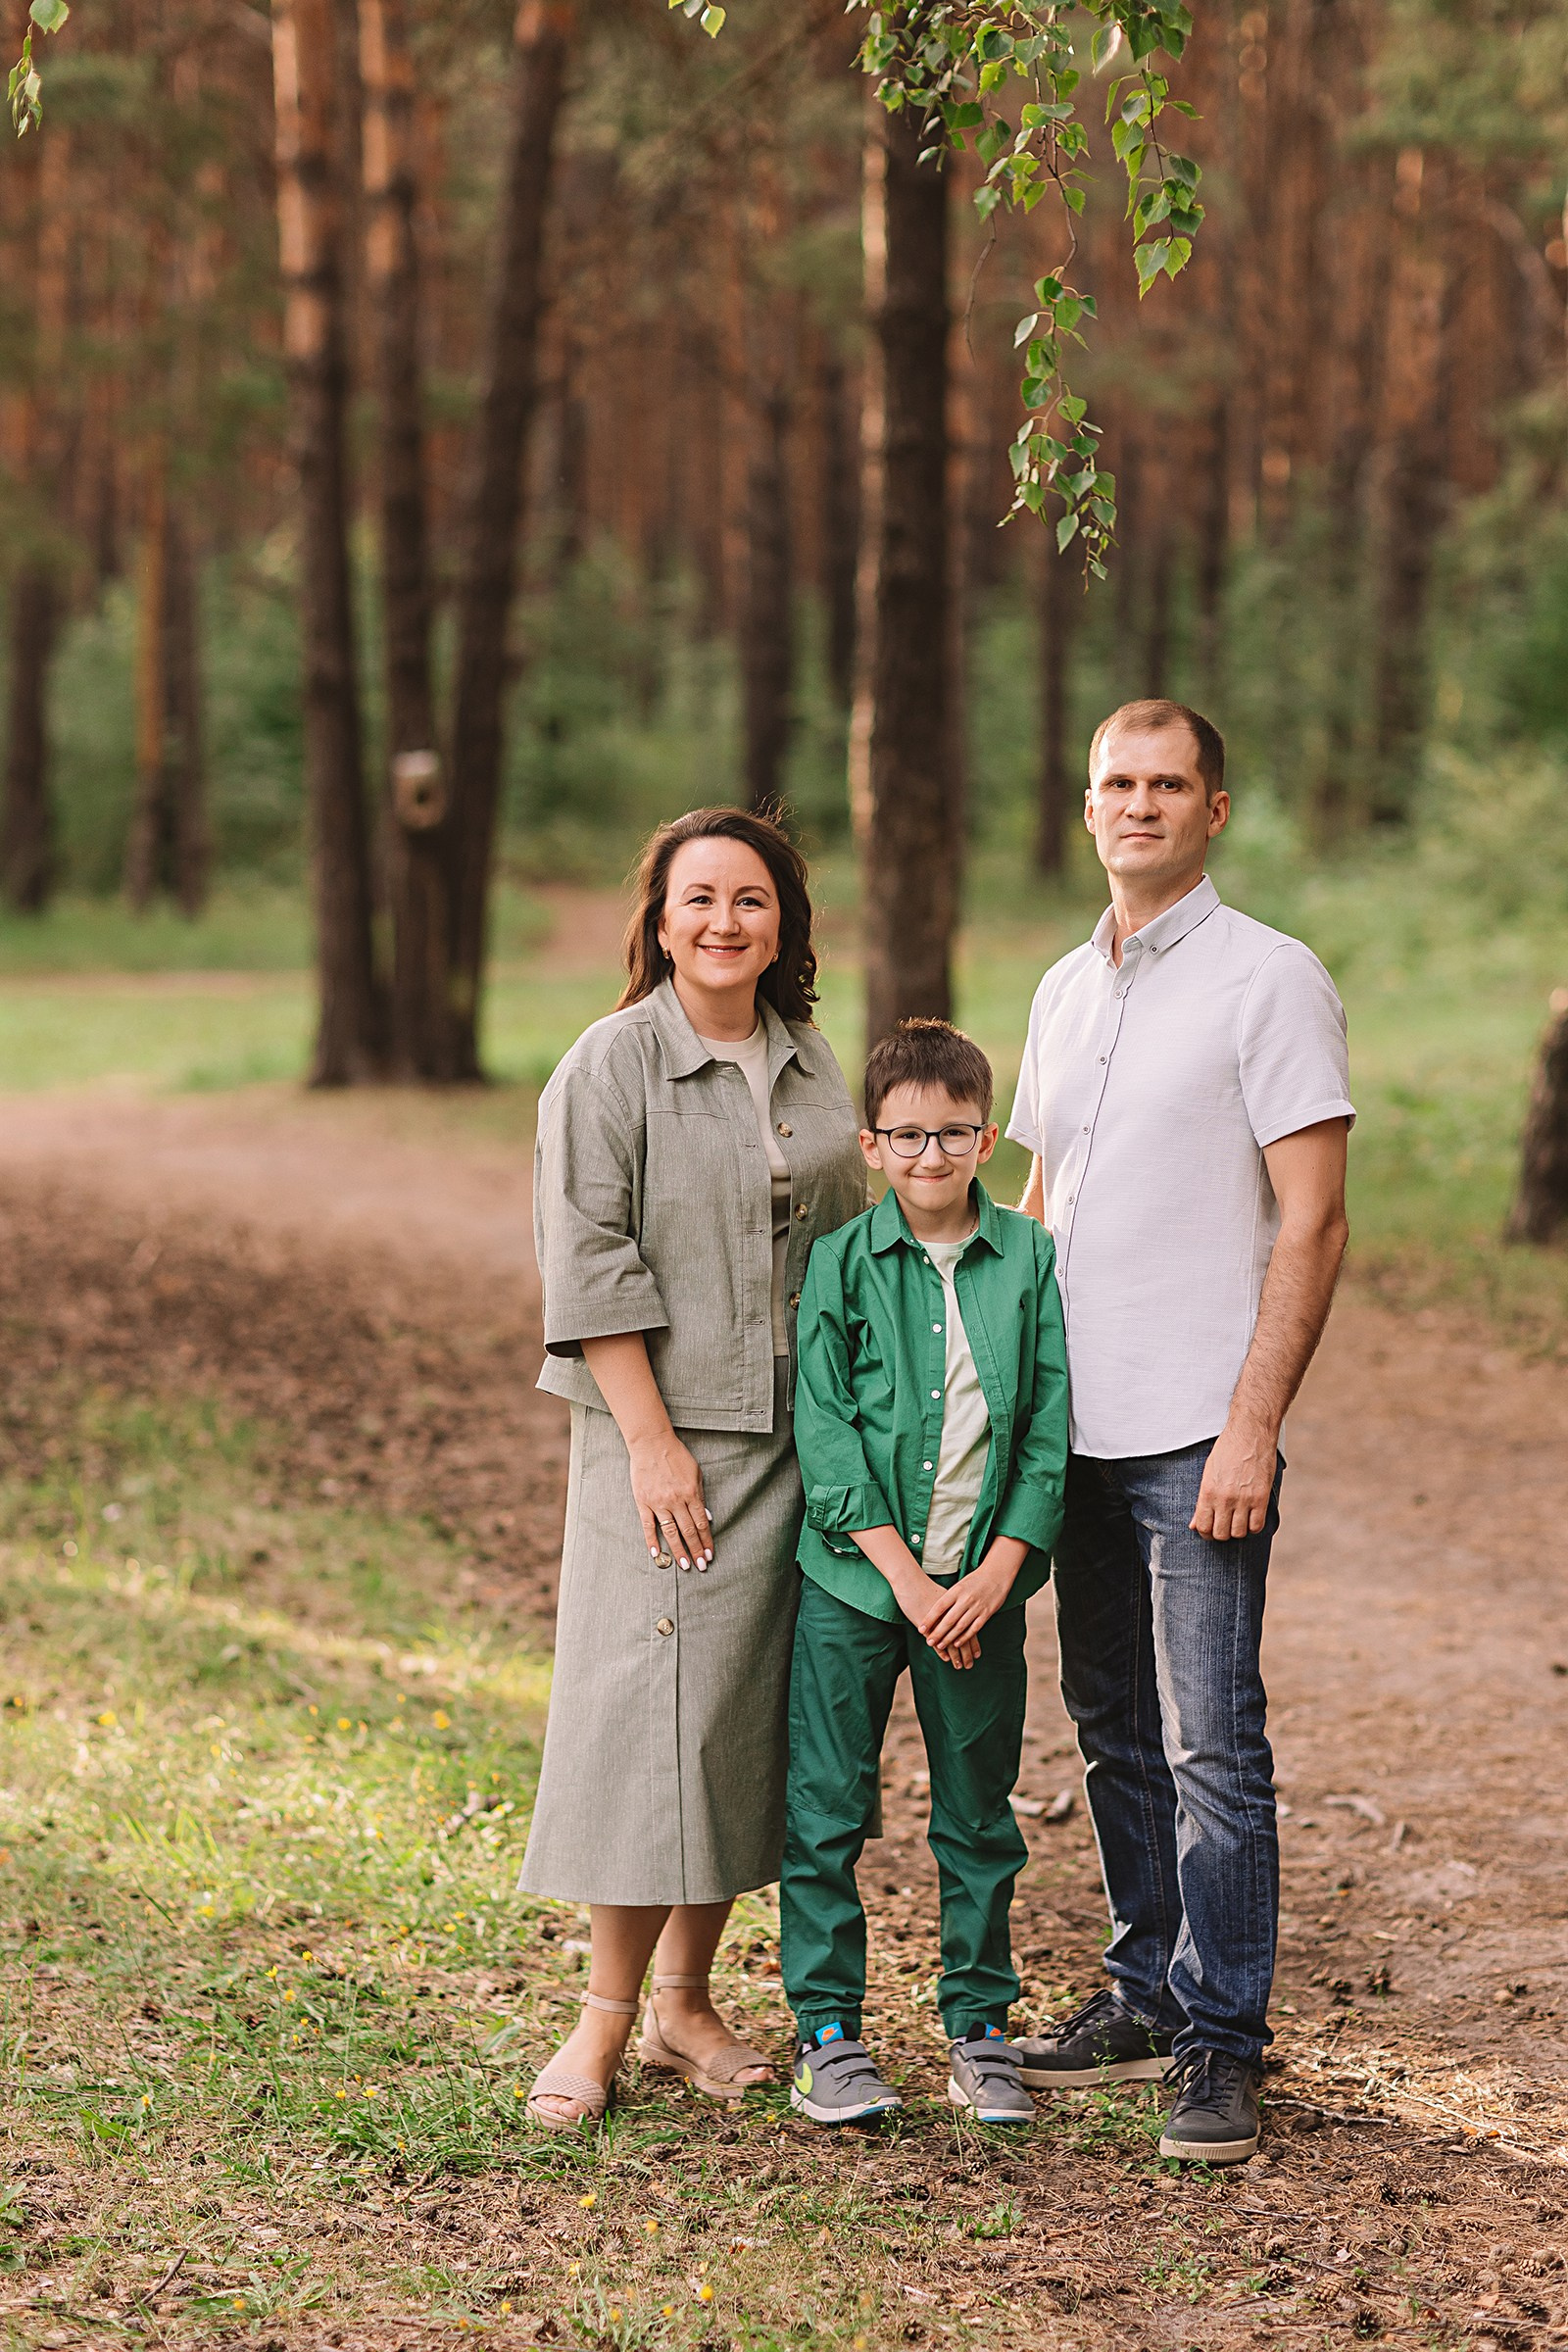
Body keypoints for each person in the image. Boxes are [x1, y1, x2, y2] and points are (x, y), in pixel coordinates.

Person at [1008, 699, 1353, 2165]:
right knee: (1112, 1730)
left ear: (1213, 809)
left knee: (1214, 1743)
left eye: (1167, 783)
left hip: (1196, 1431)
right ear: (1086, 806)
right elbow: (1040, 1210)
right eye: (1116, 783)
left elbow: (1314, 1220)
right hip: (1071, 1431)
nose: (1137, 804)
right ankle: (1144, 1994)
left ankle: (1223, 2041)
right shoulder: (1060, 989)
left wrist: (1250, 1426)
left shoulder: (1269, 978)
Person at [520, 807, 867, 2130]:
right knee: (640, 1721)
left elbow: (853, 1238)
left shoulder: (809, 1062)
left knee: (735, 1719)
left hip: (796, 1440)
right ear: (661, 924)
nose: (725, 921)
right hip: (659, 1440)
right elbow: (588, 1261)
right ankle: (602, 2021)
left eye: (751, 900)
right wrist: (654, 1445)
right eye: (700, 899)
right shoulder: (609, 1065)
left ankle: (686, 2004)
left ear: (784, 926)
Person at [781, 1019, 1069, 2126]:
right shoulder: (842, 1263)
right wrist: (908, 1584)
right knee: (826, 1809)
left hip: (981, 1589)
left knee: (978, 1815)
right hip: (858, 1585)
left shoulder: (1029, 1259)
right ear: (871, 1145)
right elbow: (828, 1434)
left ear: (987, 1138)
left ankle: (981, 2027)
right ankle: (827, 2033)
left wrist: (1000, 1571)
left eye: (953, 1133)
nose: (931, 1155)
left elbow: (1047, 1430)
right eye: (906, 1136)